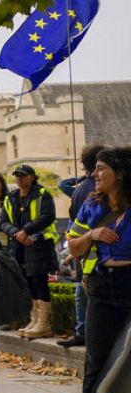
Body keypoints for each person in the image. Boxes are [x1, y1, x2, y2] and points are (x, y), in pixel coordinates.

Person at [61, 146, 131, 393]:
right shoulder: (92, 205)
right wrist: (93, 235)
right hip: (102, 288)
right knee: (96, 358)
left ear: (121, 173)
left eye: (101, 168)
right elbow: (72, 247)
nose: (95, 174)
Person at [0, 164, 59, 338]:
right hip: (19, 247)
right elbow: (3, 221)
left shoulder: (42, 194)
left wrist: (27, 230)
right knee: (27, 282)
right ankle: (34, 319)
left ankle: (44, 323)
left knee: (40, 281)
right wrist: (16, 233)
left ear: (32, 177)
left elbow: (48, 216)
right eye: (17, 175)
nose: (20, 178)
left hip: (38, 245)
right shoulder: (10, 198)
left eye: (23, 175)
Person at [57, 144, 108, 349]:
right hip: (102, 264)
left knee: (81, 289)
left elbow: (73, 230)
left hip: (85, 259)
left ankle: (81, 330)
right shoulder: (96, 194)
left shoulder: (78, 192)